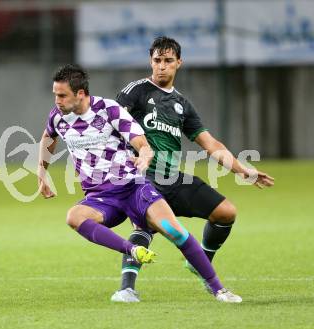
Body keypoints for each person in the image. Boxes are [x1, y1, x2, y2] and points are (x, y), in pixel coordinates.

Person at [37, 63, 242, 303]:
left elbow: (142, 143)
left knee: (175, 232)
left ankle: (219, 290)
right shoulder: (58, 117)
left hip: (134, 188)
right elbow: (47, 138)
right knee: (74, 216)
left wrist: (144, 155)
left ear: (80, 93)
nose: (57, 100)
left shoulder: (109, 110)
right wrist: (42, 173)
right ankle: (132, 249)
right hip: (102, 199)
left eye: (62, 95)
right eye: (55, 95)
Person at [111, 36, 274, 303]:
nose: (161, 66)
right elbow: (113, 122)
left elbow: (210, 143)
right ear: (151, 61)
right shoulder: (136, 91)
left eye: (168, 61)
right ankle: (126, 289)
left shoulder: (182, 105)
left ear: (179, 63)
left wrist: (242, 170)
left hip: (173, 178)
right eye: (157, 60)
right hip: (143, 178)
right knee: (144, 226)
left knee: (226, 212)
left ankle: (200, 261)